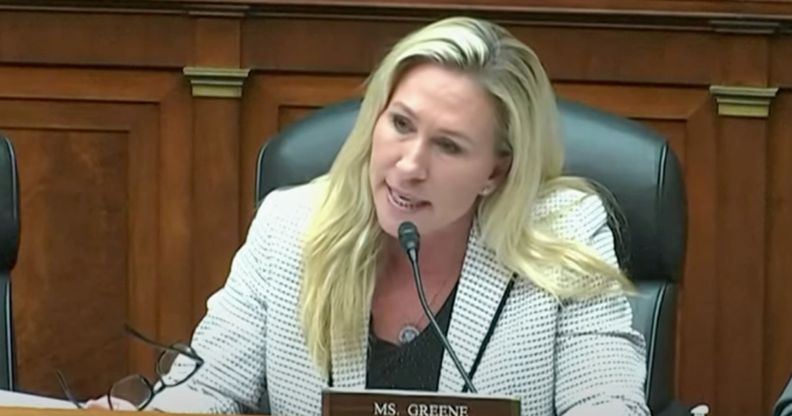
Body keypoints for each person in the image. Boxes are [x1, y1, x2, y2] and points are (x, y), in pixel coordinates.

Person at [91, 16, 649, 415]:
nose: (408, 167)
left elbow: (605, 400)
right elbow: (207, 387)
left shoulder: (562, 230)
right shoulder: (291, 225)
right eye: (401, 124)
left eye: (449, 146)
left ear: (496, 172)